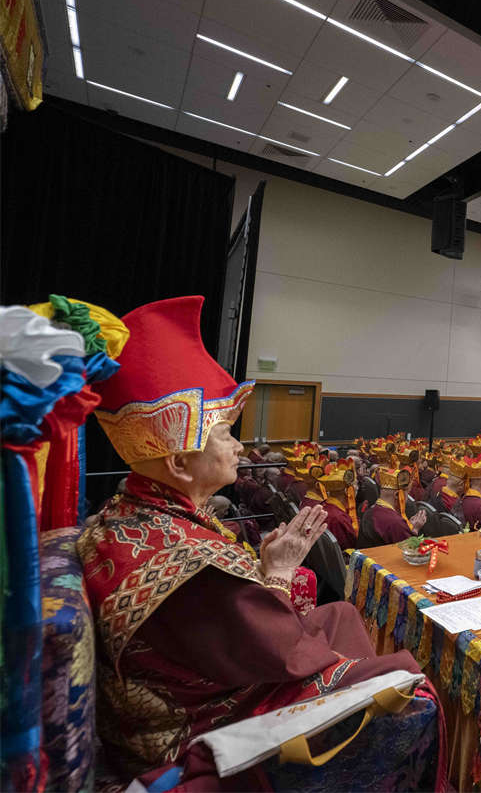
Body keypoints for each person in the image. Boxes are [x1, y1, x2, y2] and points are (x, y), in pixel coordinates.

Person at [77, 297, 433, 782]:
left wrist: (266, 574)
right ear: (178, 463)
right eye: (225, 435)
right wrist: (278, 575)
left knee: (341, 614)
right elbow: (282, 651)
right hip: (199, 726)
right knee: (404, 680)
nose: (239, 446)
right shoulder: (189, 562)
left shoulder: (128, 513)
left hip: (183, 686)